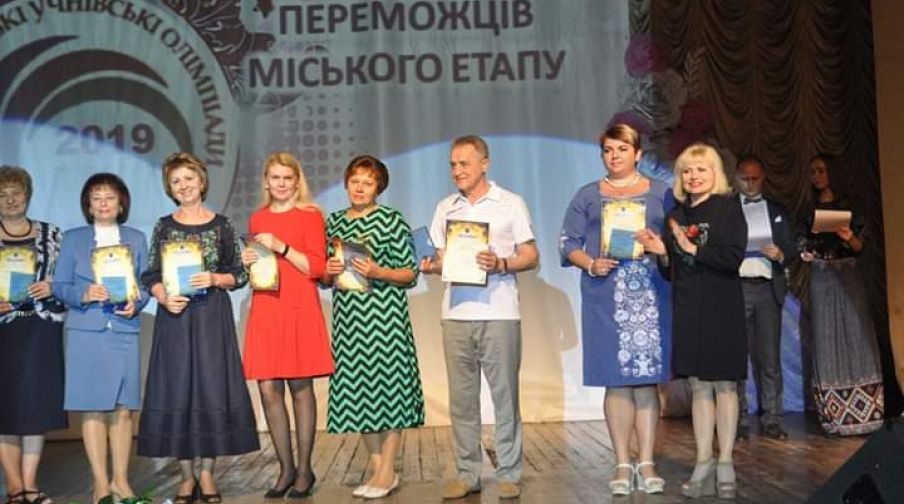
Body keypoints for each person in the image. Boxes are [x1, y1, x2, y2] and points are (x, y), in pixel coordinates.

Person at [420, 136, 539, 500]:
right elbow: (439, 258)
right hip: (455, 313)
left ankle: (509, 472)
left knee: (505, 397)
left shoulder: (510, 203)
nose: (457, 171)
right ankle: (467, 472)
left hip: (499, 313)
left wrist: (500, 263)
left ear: (484, 164)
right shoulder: (446, 207)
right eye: (453, 165)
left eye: (464, 164)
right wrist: (430, 265)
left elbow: (530, 255)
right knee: (462, 400)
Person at [137, 153, 259, 503]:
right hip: (175, 317)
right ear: (169, 189)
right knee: (178, 390)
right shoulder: (163, 226)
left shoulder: (222, 225)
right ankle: (186, 477)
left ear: (202, 181)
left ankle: (207, 473)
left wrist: (215, 278)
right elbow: (150, 274)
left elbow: (239, 274)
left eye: (189, 179)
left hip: (211, 317)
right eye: (176, 181)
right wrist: (162, 296)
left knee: (211, 389)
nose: (184, 186)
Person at [559, 124, 672, 495]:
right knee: (616, 381)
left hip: (651, 296)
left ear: (637, 154)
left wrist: (659, 247)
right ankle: (623, 463)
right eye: (608, 150)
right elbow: (567, 243)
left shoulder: (661, 193)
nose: (614, 156)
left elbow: (677, 242)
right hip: (605, 297)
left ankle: (647, 461)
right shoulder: (588, 195)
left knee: (646, 380)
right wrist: (591, 263)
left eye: (622, 149)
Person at [637, 143, 747, 499]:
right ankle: (703, 462)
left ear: (715, 174)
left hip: (722, 306)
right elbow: (673, 271)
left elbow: (732, 258)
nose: (694, 176)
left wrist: (692, 249)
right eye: (687, 171)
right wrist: (663, 253)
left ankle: (726, 462)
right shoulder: (676, 215)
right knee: (699, 386)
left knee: (725, 386)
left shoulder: (729, 208)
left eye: (701, 169)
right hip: (688, 307)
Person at [321, 155, 424, 500]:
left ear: (379, 186)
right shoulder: (335, 222)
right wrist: (329, 271)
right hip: (349, 324)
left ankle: (386, 469)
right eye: (355, 181)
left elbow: (410, 273)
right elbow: (324, 278)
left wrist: (379, 272)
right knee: (359, 393)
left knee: (391, 392)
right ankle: (381, 470)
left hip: (385, 320)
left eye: (368, 182)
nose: (360, 188)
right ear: (346, 183)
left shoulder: (391, 220)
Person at [53, 174, 150, 504]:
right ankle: (100, 485)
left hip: (123, 330)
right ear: (88, 204)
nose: (103, 203)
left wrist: (137, 302)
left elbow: (145, 284)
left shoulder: (136, 238)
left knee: (123, 409)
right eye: (96, 198)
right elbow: (60, 285)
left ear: (122, 203)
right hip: (86, 333)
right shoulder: (73, 239)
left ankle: (121, 481)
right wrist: (84, 294)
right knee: (92, 409)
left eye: (110, 197)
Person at [241, 152, 334, 499]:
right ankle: (285, 469)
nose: (280, 183)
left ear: (297, 182)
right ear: (266, 181)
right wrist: (248, 259)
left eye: (287, 178)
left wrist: (281, 246)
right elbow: (261, 268)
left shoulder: (310, 215)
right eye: (275, 177)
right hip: (266, 307)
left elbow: (316, 267)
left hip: (298, 307)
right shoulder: (258, 217)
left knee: (299, 386)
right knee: (268, 389)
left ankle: (305, 470)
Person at [799, 153, 883, 435]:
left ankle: (867, 412)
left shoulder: (852, 206)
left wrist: (849, 237)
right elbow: (802, 242)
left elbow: (861, 247)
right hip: (822, 274)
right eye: (813, 172)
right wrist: (806, 252)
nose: (816, 176)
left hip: (848, 273)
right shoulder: (809, 209)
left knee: (857, 333)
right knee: (826, 337)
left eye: (821, 170)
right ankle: (834, 415)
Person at [0, 166, 67, 504]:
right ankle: (14, 487)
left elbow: (68, 279)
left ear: (27, 195)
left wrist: (53, 286)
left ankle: (30, 484)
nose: (10, 199)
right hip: (3, 331)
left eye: (16, 192)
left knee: (34, 408)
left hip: (41, 328)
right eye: (2, 194)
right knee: (5, 408)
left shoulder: (52, 234)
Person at [732, 155, 796, 441]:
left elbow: (791, 248)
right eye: (744, 178)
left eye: (755, 178)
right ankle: (738, 420)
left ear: (763, 178)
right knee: (737, 359)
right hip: (737, 288)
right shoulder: (728, 210)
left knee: (769, 358)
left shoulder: (776, 211)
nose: (750, 184)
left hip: (768, 288)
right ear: (736, 178)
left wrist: (781, 254)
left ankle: (772, 419)